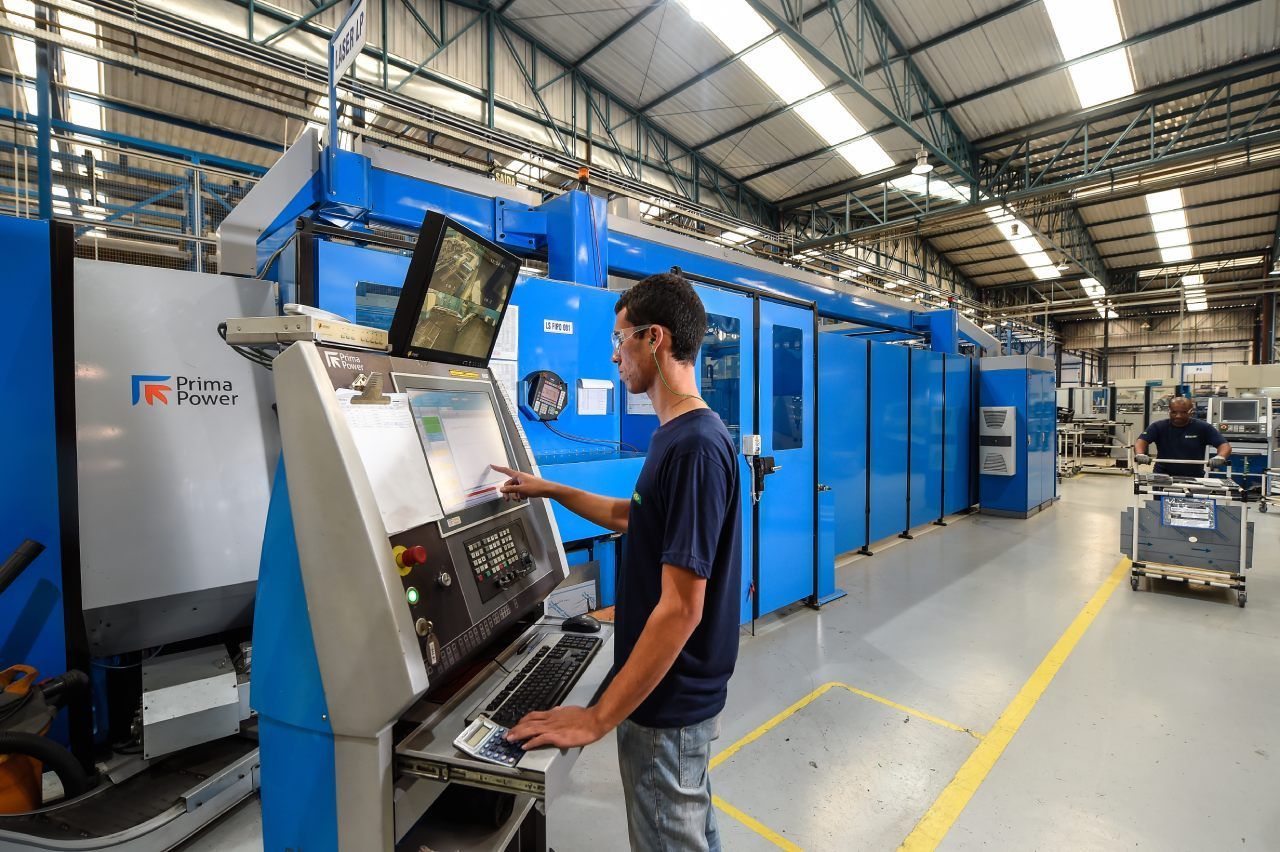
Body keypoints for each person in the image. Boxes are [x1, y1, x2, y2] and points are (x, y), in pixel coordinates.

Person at [490, 272, 740, 851]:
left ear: (654, 338)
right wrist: (547, 488)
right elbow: (633, 516)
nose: (613, 355)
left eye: (620, 339)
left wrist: (597, 717)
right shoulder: (676, 436)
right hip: (671, 697)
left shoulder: (696, 447)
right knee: (690, 829)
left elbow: (680, 610)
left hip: (669, 703)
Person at [1134, 396, 1231, 475]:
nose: (1178, 416)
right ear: (1169, 411)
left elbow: (1224, 445)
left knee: (1191, 500)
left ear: (1191, 411)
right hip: (1163, 475)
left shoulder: (1202, 427)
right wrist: (1140, 454)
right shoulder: (1158, 426)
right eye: (1174, 412)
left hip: (1194, 476)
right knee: (1160, 499)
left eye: (1183, 412)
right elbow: (1141, 441)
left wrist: (1220, 457)